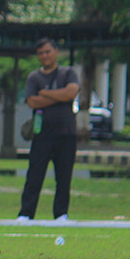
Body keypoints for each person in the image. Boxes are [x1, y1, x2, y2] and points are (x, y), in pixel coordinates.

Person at [17, 37, 80, 222]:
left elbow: (71, 93)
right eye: (40, 53)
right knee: (34, 175)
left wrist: (45, 93)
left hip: (67, 133)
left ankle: (61, 214)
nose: (44, 56)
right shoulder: (34, 77)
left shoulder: (68, 72)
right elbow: (32, 101)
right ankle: (26, 214)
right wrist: (60, 97)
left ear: (56, 51)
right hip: (42, 133)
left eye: (47, 51)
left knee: (64, 176)